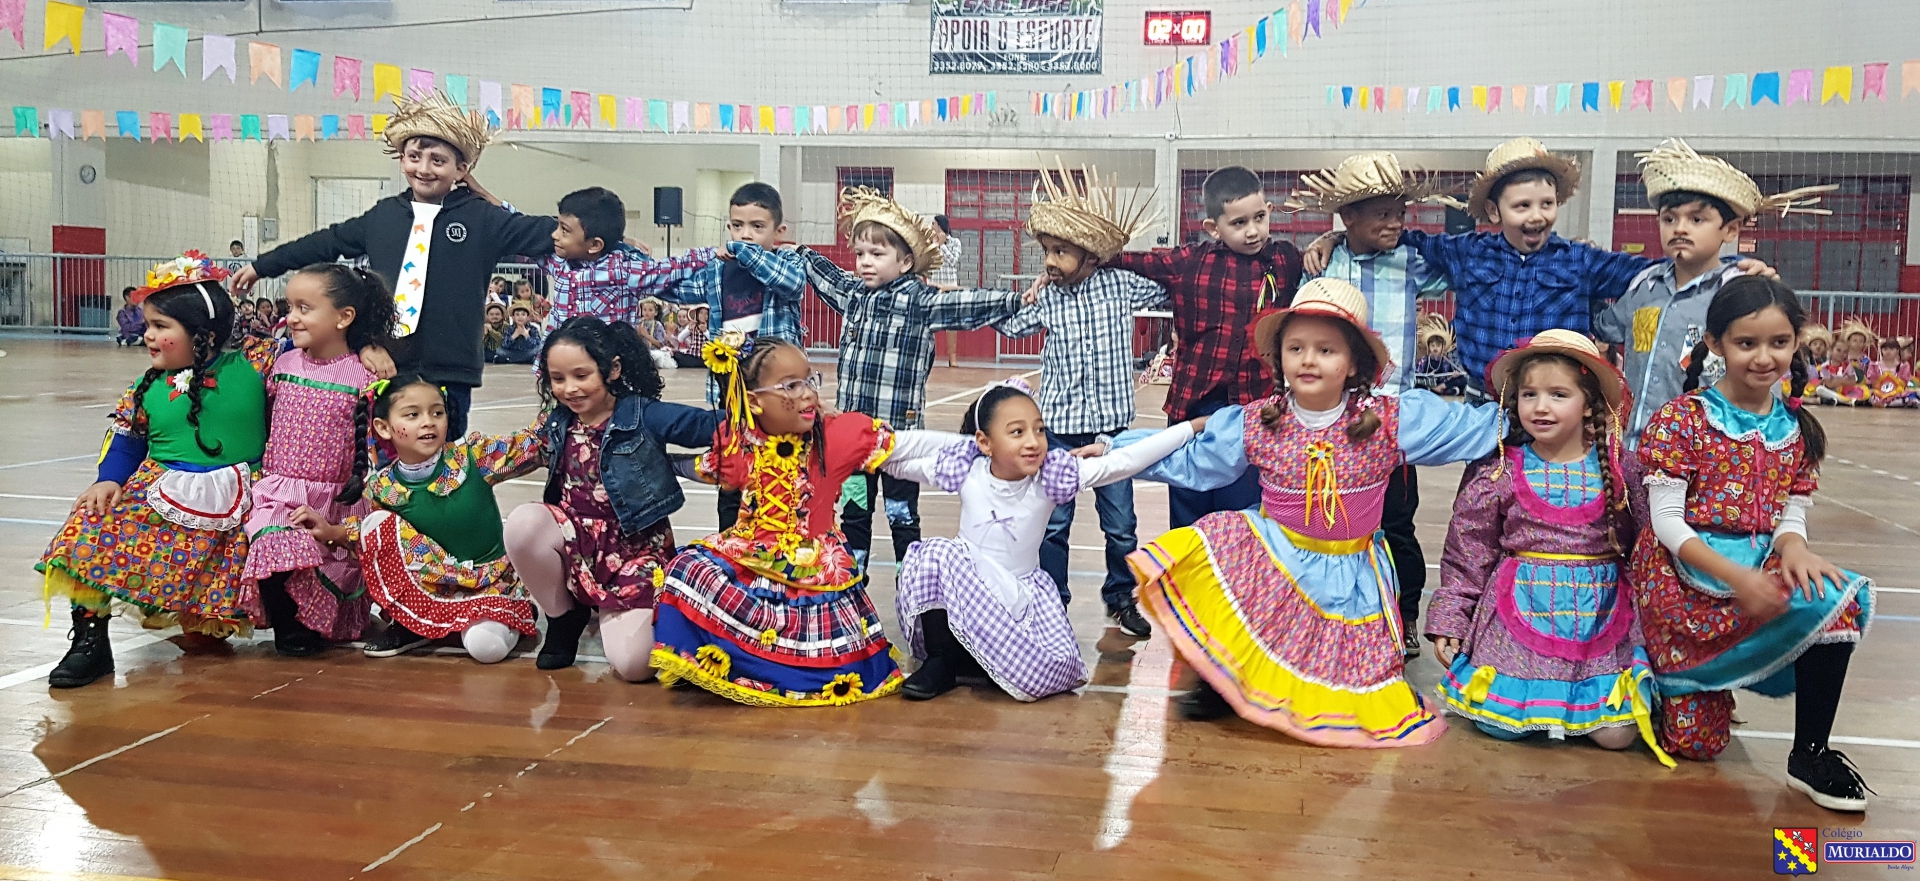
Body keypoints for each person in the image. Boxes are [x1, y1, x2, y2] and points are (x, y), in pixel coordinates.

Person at [1121, 278, 1502, 746]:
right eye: (1296, 348)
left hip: (1349, 571)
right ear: (1279, 358)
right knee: (1215, 534)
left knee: (1354, 690)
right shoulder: (1261, 420)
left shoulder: (1388, 420)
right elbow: (1196, 461)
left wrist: (1524, 416)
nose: (1308, 359)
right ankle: (1222, 679)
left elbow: (1465, 428)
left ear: (1353, 363)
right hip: (1276, 555)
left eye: (1326, 350)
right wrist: (1117, 453)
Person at [1632, 276, 1875, 811]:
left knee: (1834, 598)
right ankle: (1673, 684)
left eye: (1779, 343)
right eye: (1747, 343)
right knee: (1696, 746)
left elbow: (1792, 514)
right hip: (1683, 585)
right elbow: (1667, 523)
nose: (1764, 358)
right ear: (1715, 343)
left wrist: (1794, 549)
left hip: (1758, 564)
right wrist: (1737, 577)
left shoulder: (1798, 429)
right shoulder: (1682, 420)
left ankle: (1811, 754)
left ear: (1795, 343)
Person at [1303, 139, 1773, 399]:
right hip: (1484, 404)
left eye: (1546, 204)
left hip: (1559, 403)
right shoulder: (1467, 252)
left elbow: (1657, 269)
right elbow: (1393, 236)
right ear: (1494, 212)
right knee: (1483, 508)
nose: (1536, 216)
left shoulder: (1580, 260)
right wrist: (1334, 238)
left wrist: (1731, 265)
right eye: (1522, 205)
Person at [231, 91, 556, 438]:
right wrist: (263, 266)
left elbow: (550, 232)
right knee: (385, 451)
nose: (424, 169)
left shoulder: (483, 218)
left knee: (441, 453)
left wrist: (491, 199)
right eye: (414, 157)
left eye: (438, 160)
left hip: (450, 370)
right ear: (402, 159)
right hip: (387, 363)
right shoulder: (383, 215)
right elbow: (327, 241)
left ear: (461, 169)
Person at [650, 335, 947, 705]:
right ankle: (731, 663)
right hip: (750, 550)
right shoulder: (741, 441)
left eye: (809, 380)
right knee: (686, 570)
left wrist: (973, 452)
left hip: (814, 562)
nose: (807, 393)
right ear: (754, 401)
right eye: (791, 385)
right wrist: (661, 462)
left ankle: (779, 671)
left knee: (817, 632)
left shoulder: (833, 436)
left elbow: (906, 447)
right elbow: (706, 468)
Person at [1428, 331, 1669, 763]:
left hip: (1600, 617)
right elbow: (1468, 551)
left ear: (1589, 403)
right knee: (1499, 724)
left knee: (1616, 735)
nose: (1541, 407)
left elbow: (1649, 546)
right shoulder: (1498, 470)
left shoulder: (1621, 468)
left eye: (1558, 394)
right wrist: (1451, 619)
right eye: (1529, 394)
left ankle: (1579, 705)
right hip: (1517, 613)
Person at [39, 254, 276, 687]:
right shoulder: (145, 388)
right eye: (147, 325)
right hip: (162, 489)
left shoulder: (255, 363)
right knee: (87, 526)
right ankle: (91, 644)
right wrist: (109, 479)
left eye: (160, 326)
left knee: (219, 616)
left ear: (204, 335)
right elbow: (127, 439)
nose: (147, 335)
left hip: (244, 495)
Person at [891, 379, 1201, 701]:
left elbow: (1125, 462)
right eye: (1017, 432)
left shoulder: (1050, 478)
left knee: (1046, 673)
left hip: (1016, 599)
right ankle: (942, 659)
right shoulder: (967, 470)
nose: (1033, 442)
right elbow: (899, 460)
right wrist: (865, 446)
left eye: (1039, 430)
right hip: (968, 586)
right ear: (984, 442)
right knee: (935, 554)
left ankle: (984, 657)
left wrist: (1190, 428)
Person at [799, 188, 1025, 576]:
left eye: (877, 254)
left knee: (902, 515)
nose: (865, 262)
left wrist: (1016, 301)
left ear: (905, 262)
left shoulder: (919, 302)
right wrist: (799, 252)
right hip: (854, 439)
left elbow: (966, 304)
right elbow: (826, 275)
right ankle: (851, 582)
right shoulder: (854, 296)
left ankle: (911, 582)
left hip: (899, 440)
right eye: (860, 254)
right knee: (854, 514)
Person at [1286, 152, 1456, 658]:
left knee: (1398, 523)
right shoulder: (1325, 265)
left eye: (1400, 213)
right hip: (1335, 421)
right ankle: (1333, 613)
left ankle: (1404, 617)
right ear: (1348, 217)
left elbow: (1462, 266)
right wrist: (1327, 242)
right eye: (1381, 213)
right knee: (1334, 518)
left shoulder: (1414, 262)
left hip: (1393, 420)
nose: (1395, 223)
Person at [993, 163, 1166, 637]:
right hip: (1060, 429)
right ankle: (1053, 602)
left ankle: (1120, 597)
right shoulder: (1048, 296)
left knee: (1121, 524)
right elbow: (1011, 327)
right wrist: (1025, 297)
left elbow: (1168, 287)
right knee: (1054, 524)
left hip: (1112, 431)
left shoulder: (1120, 285)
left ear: (1090, 256)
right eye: (1047, 250)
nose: (1050, 261)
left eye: (1061, 251)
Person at [503, 318, 721, 681]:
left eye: (581, 375)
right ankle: (563, 616)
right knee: (523, 524)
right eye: (558, 379)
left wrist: (770, 414)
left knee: (635, 666)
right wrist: (449, 462)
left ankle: (615, 606)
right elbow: (510, 453)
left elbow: (708, 426)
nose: (570, 388)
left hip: (636, 551)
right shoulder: (557, 423)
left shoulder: (644, 415)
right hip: (576, 542)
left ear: (613, 368)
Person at [1595, 140, 1836, 446]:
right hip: (1635, 449)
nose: (1680, 228)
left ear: (1731, 230)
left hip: (1708, 454)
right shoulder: (1644, 287)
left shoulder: (1739, 293)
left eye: (1696, 219)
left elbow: (1761, 375)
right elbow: (1602, 325)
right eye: (1669, 219)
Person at [291, 375, 545, 662]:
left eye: (437, 413)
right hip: (433, 587)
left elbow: (532, 445)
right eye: (413, 415)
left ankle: (513, 611)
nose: (428, 422)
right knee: (377, 525)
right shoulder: (382, 487)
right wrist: (331, 532)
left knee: (486, 648)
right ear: (383, 427)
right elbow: (372, 537)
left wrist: (559, 397)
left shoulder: (473, 456)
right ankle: (412, 623)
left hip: (490, 584)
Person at [1107, 166, 1305, 529]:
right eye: (1239, 223)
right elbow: (1126, 260)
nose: (1252, 231)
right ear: (1213, 228)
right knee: (1188, 513)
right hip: (1193, 405)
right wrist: (1069, 263)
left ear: (1269, 212)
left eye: (1259, 218)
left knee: (1242, 517)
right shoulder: (1191, 262)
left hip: (1254, 411)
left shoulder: (1286, 260)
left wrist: (1330, 240)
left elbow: (1326, 261)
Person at [239, 264, 395, 656]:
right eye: (289, 306)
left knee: (332, 568)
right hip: (279, 491)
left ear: (344, 317)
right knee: (273, 538)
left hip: (338, 498)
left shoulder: (366, 375)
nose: (291, 317)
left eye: (304, 308)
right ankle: (288, 627)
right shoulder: (281, 364)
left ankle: (315, 623)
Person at [661, 182, 810, 529]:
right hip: (731, 389)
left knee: (784, 467)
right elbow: (673, 287)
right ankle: (730, 540)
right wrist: (638, 266)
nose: (746, 234)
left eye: (757, 226)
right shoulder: (718, 270)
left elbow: (791, 283)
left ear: (779, 231)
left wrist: (740, 251)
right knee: (732, 470)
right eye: (738, 226)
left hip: (778, 391)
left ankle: (782, 536)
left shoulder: (786, 260)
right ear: (728, 225)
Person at [536, 187, 713, 331]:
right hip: (558, 358)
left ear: (595, 244)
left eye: (564, 230)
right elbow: (521, 229)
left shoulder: (623, 270)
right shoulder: (557, 262)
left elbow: (673, 267)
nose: (554, 235)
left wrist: (714, 253)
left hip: (607, 360)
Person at [1412, 316, 1467, 396]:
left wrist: (1452, 376)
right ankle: (1436, 390)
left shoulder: (1446, 361)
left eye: (1438, 346)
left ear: (1442, 347)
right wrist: (1427, 377)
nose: (1435, 348)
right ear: (1429, 347)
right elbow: (1416, 375)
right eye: (1432, 345)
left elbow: (1446, 378)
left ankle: (1442, 390)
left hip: (1441, 385)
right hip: (1427, 385)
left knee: (1463, 379)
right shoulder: (1424, 360)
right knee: (1416, 383)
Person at [1867, 338, 1918, 408]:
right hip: (1879, 393)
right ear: (1881, 350)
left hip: (1897, 394)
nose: (1888, 352)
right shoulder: (1874, 366)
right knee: (1869, 395)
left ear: (1897, 350)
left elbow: (1904, 383)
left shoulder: (1903, 367)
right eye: (1885, 349)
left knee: (1911, 395)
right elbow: (1873, 383)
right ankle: (1886, 403)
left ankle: (1888, 403)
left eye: (1891, 349)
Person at [635, 298, 677, 370]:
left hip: (655, 351)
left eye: (650, 310)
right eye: (644, 310)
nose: (647, 312)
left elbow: (660, 344)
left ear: (656, 312)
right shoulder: (640, 323)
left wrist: (646, 335)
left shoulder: (658, 325)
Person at [929, 214, 963, 289]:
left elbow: (953, 261)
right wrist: (933, 246)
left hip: (949, 284)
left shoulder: (955, 242)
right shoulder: (930, 242)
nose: (931, 226)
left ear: (939, 226)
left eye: (933, 224)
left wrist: (942, 245)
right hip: (933, 284)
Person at [670, 303, 709, 369]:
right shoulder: (692, 325)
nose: (703, 316)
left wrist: (705, 331)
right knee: (676, 355)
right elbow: (680, 339)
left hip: (705, 357)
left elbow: (713, 340)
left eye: (706, 314)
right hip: (692, 354)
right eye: (701, 313)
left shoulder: (711, 326)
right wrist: (689, 329)